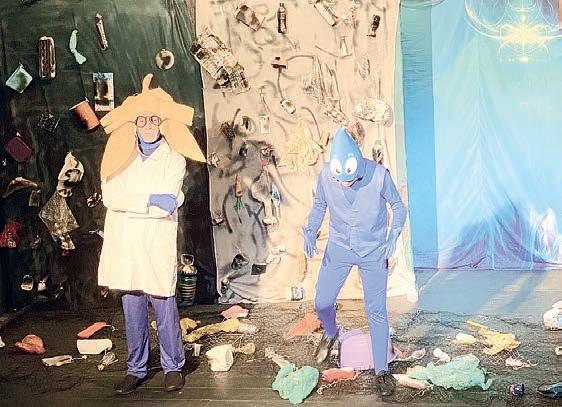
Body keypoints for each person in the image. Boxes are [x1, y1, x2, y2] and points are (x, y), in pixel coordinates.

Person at [97, 74, 206, 395]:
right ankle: (136, 368)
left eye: (154, 119)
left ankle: (173, 366)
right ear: (133, 123)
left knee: (164, 304)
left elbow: (166, 205)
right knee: (132, 306)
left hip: (155, 242)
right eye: (142, 119)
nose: (147, 125)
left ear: (163, 123)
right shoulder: (118, 156)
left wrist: (136, 202)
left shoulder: (173, 159)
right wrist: (149, 199)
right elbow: (111, 197)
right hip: (126, 244)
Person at [302, 127, 407, 396]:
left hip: (373, 250)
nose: (344, 183)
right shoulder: (326, 176)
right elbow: (319, 205)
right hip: (339, 247)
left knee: (376, 310)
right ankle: (331, 331)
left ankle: (382, 370)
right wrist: (310, 229)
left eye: (349, 179)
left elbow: (398, 207)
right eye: (340, 179)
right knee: (322, 302)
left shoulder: (379, 175)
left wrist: (393, 234)